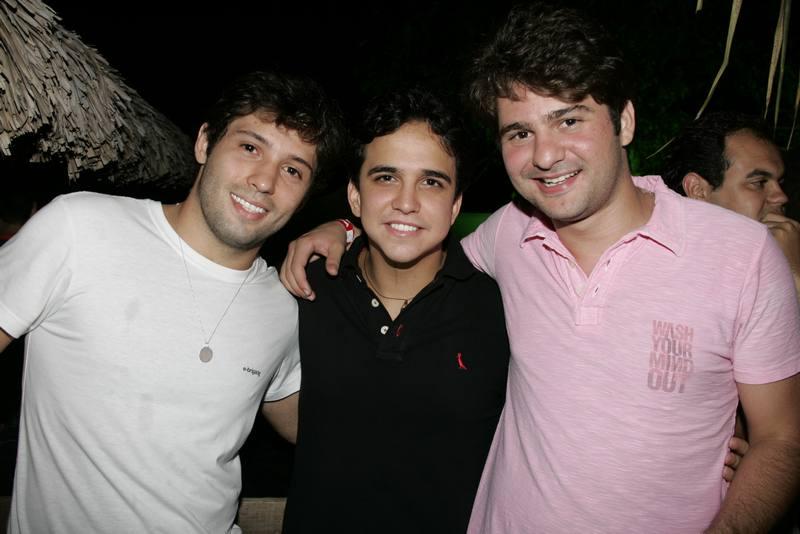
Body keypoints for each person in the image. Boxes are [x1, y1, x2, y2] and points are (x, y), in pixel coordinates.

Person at [279, 4, 800, 532]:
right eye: (519, 133)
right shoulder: (509, 235)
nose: (545, 155)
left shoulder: (743, 254)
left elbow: (781, 439)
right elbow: (411, 231)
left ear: (624, 121)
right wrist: (344, 228)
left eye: (568, 120)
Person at [0, 70, 345, 533]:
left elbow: (318, 429)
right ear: (204, 143)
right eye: (250, 147)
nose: (265, 181)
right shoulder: (79, 229)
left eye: (292, 170)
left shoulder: (283, 308)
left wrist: (355, 230)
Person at [282, 88, 510, 534]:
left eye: (431, 182)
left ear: (455, 205)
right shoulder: (304, 289)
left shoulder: (501, 309)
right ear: (355, 196)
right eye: (386, 177)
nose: (407, 201)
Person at [663, 110, 800, 298]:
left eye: (780, 183)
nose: (781, 197)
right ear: (698, 190)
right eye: (759, 182)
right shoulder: (663, 279)